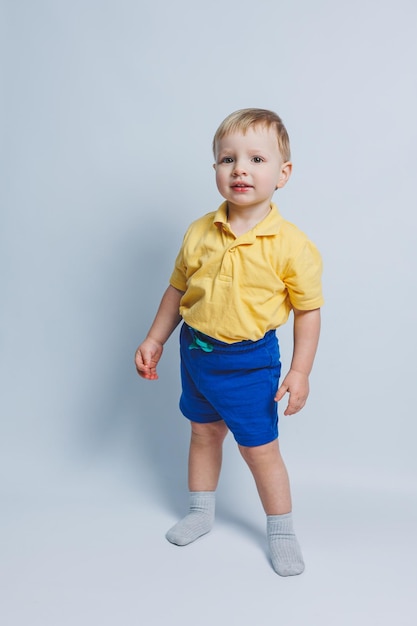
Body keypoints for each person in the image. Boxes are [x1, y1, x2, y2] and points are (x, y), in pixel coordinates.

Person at [135, 108, 324, 576]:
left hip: (249, 361)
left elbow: (308, 311)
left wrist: (300, 370)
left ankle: (281, 529)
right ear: (216, 169)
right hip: (196, 352)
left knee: (260, 448)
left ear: (283, 174)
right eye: (227, 159)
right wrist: (156, 338)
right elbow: (177, 291)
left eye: (256, 158)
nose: (240, 168)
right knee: (203, 432)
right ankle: (201, 509)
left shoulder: (291, 245)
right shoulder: (200, 232)